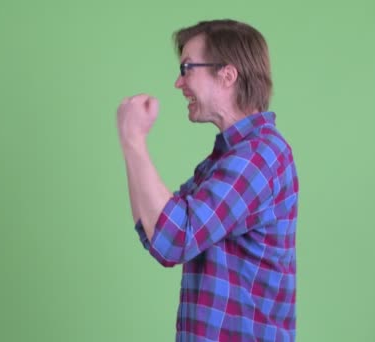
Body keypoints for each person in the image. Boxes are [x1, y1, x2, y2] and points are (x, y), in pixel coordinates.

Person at [117, 19, 299, 341]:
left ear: (227, 75)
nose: (178, 82)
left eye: (187, 68)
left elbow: (173, 239)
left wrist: (134, 139)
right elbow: (155, 232)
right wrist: (130, 144)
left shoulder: (259, 156)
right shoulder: (226, 160)